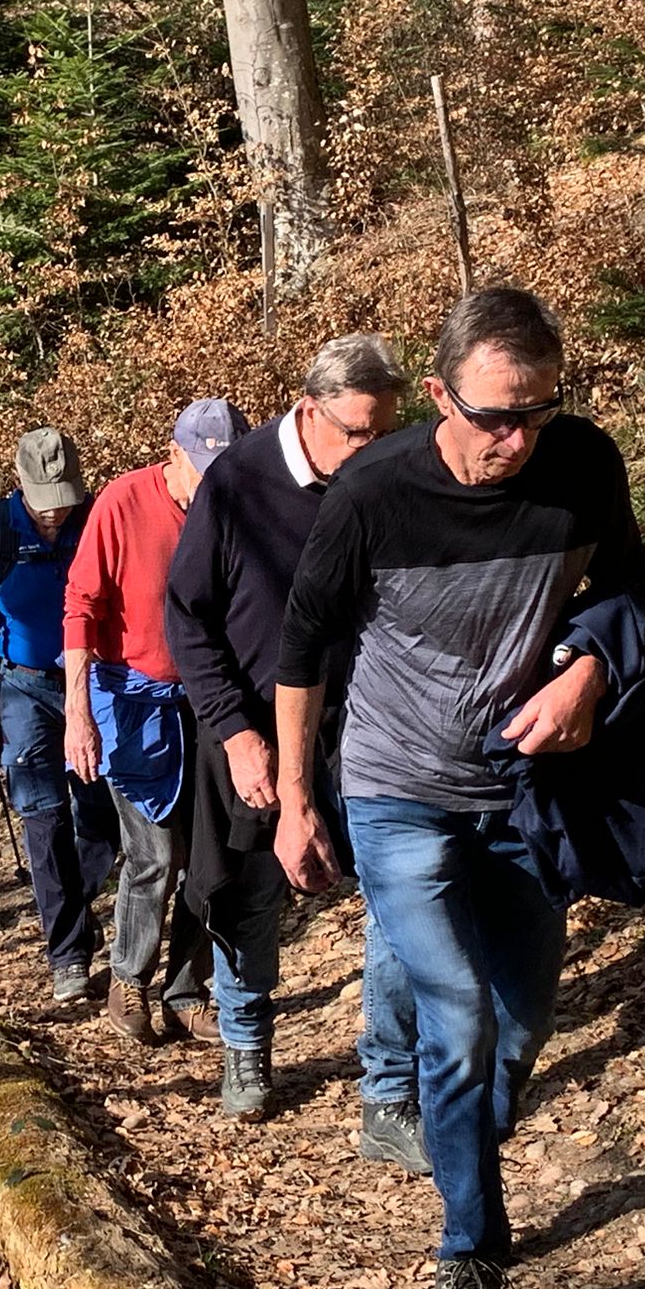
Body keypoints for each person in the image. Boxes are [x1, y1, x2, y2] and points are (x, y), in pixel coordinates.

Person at [275, 288, 645, 1289]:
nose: (516, 439)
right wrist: (295, 801)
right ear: (440, 396)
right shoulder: (373, 492)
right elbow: (300, 648)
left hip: (519, 792)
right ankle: (468, 1252)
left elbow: (624, 587)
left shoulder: (583, 464)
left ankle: (460, 1158)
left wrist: (583, 672)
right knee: (458, 1018)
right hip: (395, 788)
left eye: (536, 411)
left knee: (519, 1031)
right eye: (493, 417)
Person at [166, 336, 425, 1137]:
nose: (372, 449)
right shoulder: (236, 483)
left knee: (394, 890)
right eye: (357, 432)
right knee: (249, 892)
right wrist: (235, 733)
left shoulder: (388, 480)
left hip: (366, 722)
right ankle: (245, 1041)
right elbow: (186, 617)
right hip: (250, 723)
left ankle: (390, 1083)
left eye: (385, 432)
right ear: (309, 411)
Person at [64, 399, 247, 1047]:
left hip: (208, 700)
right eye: (203, 469)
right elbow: (80, 606)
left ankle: (186, 990)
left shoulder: (234, 504)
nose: (213, 483)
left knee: (206, 855)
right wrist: (78, 714)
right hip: (131, 700)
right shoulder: (121, 502)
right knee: (154, 853)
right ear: (173, 454)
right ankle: (128, 979)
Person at [0, 428, 118, 1003]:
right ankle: (68, 955)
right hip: (22, 689)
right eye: (45, 502)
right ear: (21, 486)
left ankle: (77, 901)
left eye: (63, 500)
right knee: (44, 820)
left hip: (93, 685)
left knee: (101, 817)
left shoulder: (94, 522)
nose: (54, 513)